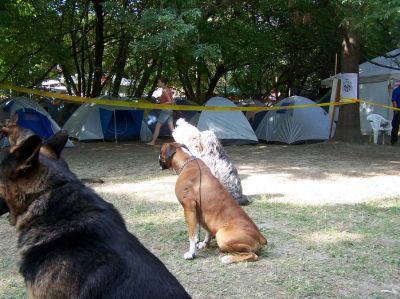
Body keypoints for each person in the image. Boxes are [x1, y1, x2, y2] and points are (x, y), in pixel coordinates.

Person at [146, 76, 174, 146]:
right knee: (172, 128)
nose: (158, 83)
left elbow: (170, 101)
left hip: (166, 110)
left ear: (163, 83)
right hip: (170, 110)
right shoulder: (168, 89)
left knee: (157, 126)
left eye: (159, 82)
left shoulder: (164, 90)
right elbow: (172, 101)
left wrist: (161, 104)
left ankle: (153, 142)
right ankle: (180, 141)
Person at [391, 81, 400, 145]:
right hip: (398, 110)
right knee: (395, 126)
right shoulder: (396, 90)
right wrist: (395, 110)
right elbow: (394, 100)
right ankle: (394, 141)